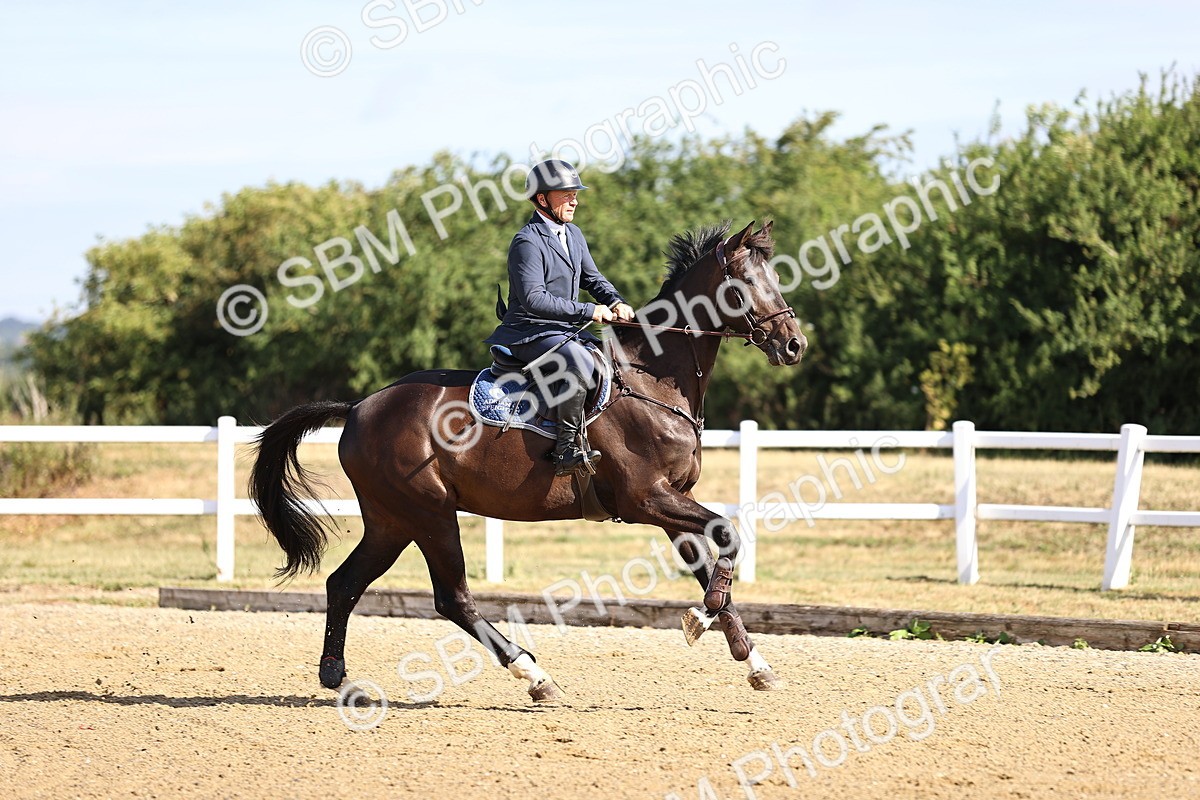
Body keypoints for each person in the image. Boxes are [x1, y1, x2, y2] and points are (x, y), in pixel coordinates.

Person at [485, 159, 635, 476]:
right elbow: (534, 299)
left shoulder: (574, 234)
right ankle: (565, 450)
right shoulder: (527, 241)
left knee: (616, 357)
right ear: (542, 199)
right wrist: (589, 310)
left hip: (564, 332)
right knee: (580, 363)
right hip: (530, 333)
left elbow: (593, 279)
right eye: (566, 194)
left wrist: (616, 301)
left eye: (574, 194)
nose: (575, 200)